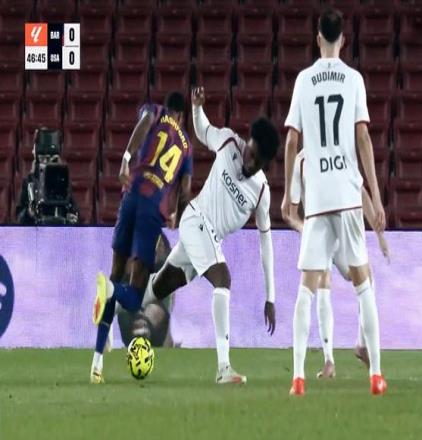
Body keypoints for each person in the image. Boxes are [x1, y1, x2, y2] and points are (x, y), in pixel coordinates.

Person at [281, 8, 387, 396]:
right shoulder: (354, 79)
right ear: (343, 39)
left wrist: (290, 193)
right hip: (346, 192)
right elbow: (363, 138)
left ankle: (297, 378)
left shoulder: (304, 80)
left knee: (306, 288)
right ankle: (376, 375)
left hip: (319, 195)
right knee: (363, 282)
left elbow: (292, 141)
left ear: (317, 39)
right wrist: (376, 196)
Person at [144, 86, 280, 385]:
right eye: (250, 153)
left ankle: (114, 299)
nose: (249, 162)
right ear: (247, 142)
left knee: (159, 288)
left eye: (257, 161)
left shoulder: (261, 193)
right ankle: (223, 368)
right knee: (223, 279)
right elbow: (204, 130)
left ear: (265, 164)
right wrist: (196, 107)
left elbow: (266, 243)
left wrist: (270, 297)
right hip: (195, 219)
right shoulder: (229, 141)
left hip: (208, 239)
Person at [90, 92, 193, 383]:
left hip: (131, 195)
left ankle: (97, 364)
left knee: (114, 276)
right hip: (151, 207)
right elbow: (185, 191)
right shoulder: (186, 146)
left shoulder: (155, 111)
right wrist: (176, 214)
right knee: (134, 296)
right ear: (182, 115)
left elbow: (144, 122)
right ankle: (111, 291)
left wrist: (126, 159)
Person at [284, 149, 390, 378]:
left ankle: (356, 346)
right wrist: (306, 230)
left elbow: (360, 192)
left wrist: (379, 234)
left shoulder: (337, 151)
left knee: (364, 277)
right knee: (325, 281)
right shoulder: (302, 161)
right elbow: (291, 214)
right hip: (320, 231)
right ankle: (332, 359)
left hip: (337, 233)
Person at [16, 148, 79, 225]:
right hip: (37, 228)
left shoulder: (62, 182)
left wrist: (73, 218)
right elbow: (19, 217)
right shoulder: (30, 182)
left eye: (50, 159)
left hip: (59, 227)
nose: (46, 162)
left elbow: (75, 213)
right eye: (43, 159)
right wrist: (28, 213)